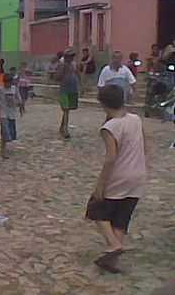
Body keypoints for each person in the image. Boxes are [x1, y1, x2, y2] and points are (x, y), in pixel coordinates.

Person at [85, 85, 147, 274]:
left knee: (96, 208)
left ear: (103, 103)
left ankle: (113, 245)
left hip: (120, 175)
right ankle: (112, 259)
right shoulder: (135, 119)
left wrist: (100, 185)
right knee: (121, 217)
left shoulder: (110, 127)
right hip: (138, 174)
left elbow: (111, 158)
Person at [0, 74, 22, 159]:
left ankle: (4, 149)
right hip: (3, 114)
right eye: (6, 83)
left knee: (11, 135)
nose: (7, 84)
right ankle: (3, 151)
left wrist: (19, 106)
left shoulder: (14, 89)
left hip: (12, 114)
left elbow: (19, 100)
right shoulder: (0, 89)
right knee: (5, 133)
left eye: (8, 83)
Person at [57, 48, 79, 139]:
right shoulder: (62, 65)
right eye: (70, 56)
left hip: (73, 89)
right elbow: (58, 76)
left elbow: (78, 74)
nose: (71, 58)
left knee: (68, 109)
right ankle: (65, 129)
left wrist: (81, 85)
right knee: (66, 109)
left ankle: (62, 127)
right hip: (64, 90)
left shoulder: (74, 65)